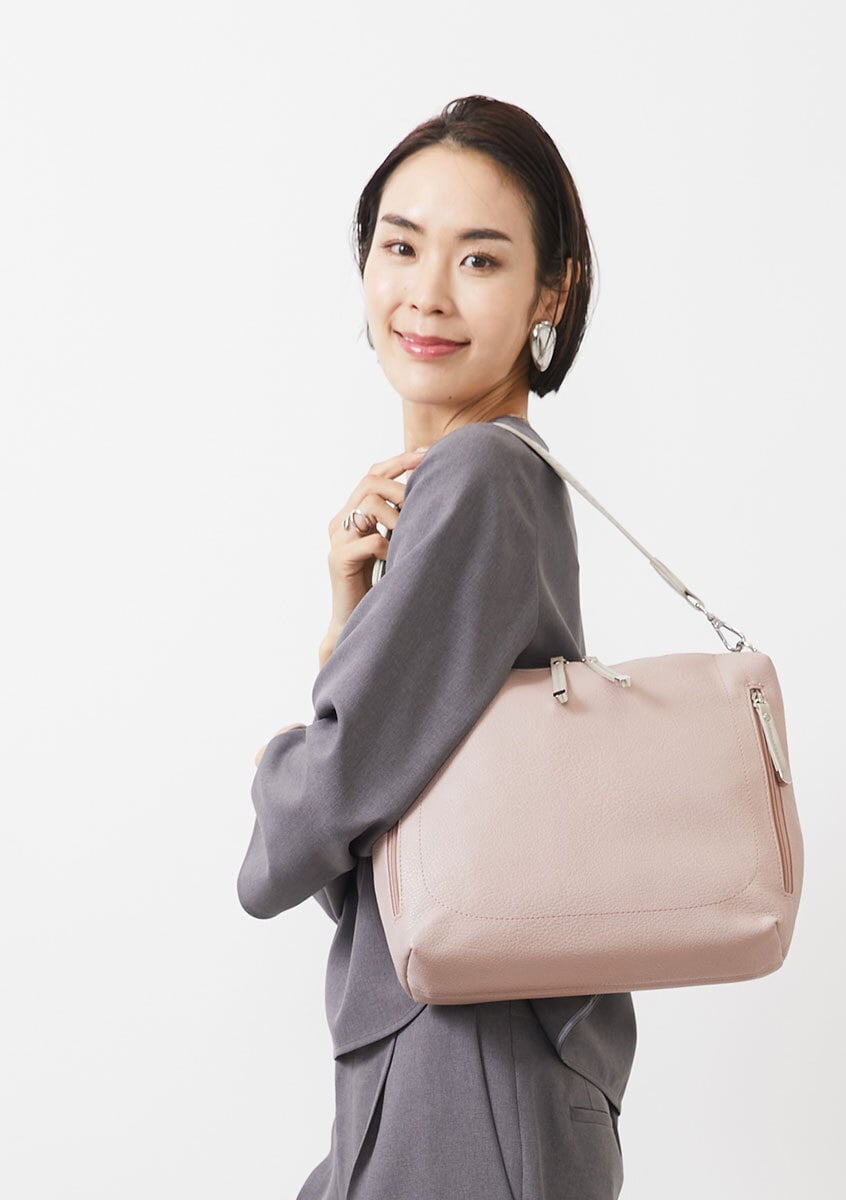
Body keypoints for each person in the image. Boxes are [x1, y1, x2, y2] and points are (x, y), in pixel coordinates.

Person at [237, 94, 637, 1200]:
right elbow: (380, 857)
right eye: (402, 246)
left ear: (549, 293)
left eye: (481, 260)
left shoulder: (479, 475)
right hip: (477, 1063)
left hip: (462, 1075)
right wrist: (351, 620)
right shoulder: (501, 480)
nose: (427, 293)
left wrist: (280, 774)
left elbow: (306, 828)